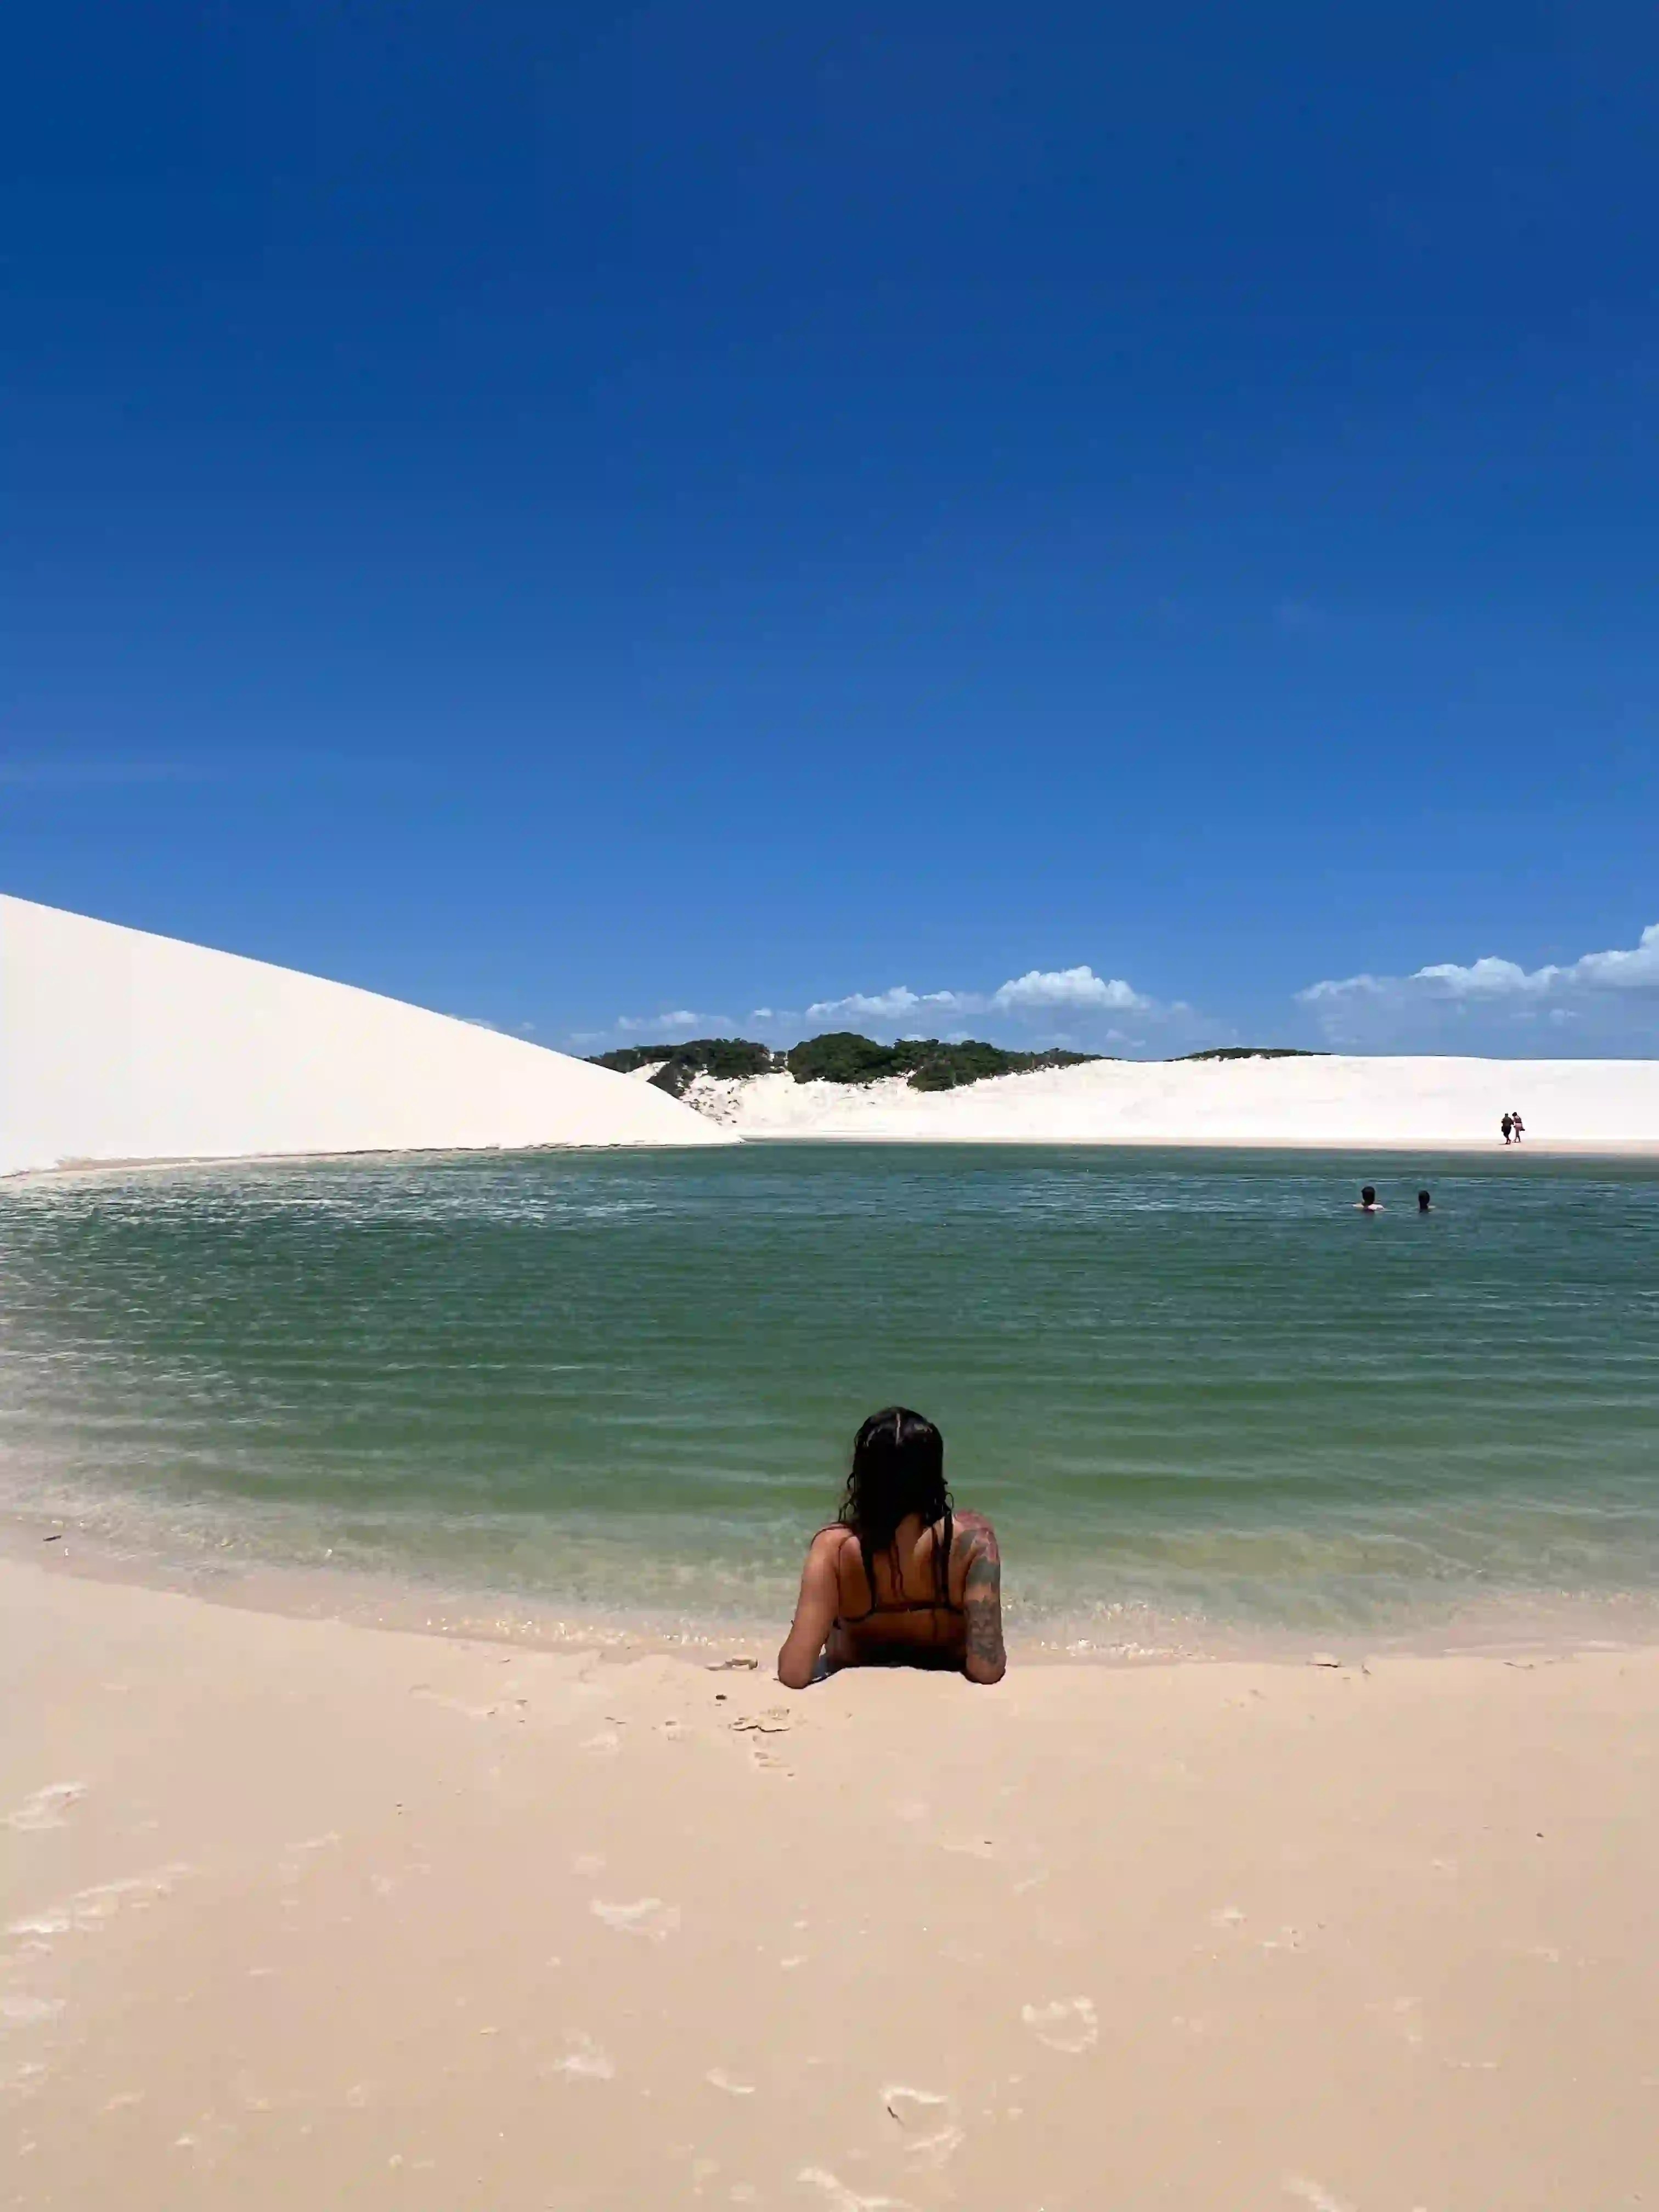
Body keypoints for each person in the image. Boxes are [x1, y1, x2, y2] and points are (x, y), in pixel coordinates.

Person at [777, 1407, 1006, 1689]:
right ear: (933, 1473)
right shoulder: (972, 1541)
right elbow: (987, 1669)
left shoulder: (835, 1548)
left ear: (862, 1476)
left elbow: (793, 1671)